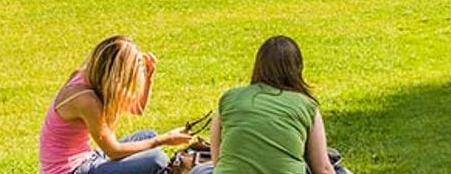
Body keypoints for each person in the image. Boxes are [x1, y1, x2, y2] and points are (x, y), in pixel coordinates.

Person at [39, 36, 193, 174]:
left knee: (148, 135)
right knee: (157, 159)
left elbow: (137, 108)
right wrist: (164, 139)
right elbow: (113, 151)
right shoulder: (86, 100)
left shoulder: (92, 77)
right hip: (72, 170)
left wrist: (148, 77)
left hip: (87, 157)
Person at [191, 36, 345, 174]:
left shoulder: (229, 98)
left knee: (200, 170)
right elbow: (322, 168)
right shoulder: (307, 105)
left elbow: (219, 162)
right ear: (297, 68)